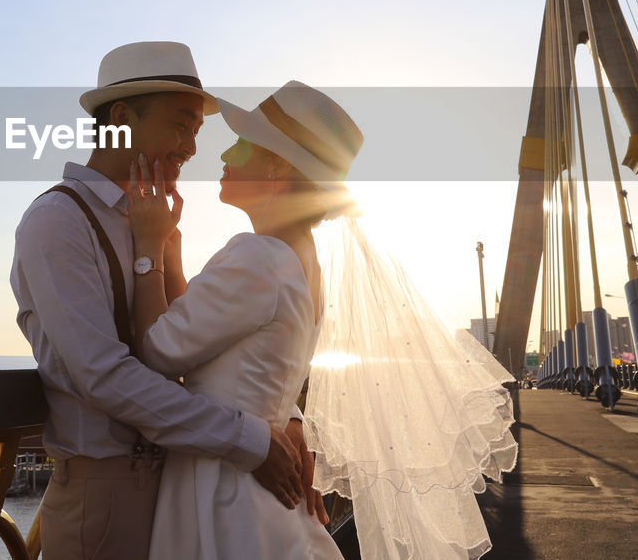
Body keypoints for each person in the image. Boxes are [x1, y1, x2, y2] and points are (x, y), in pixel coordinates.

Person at [127, 81, 518, 560]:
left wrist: (146, 249)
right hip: (265, 480)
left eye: (243, 142)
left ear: (277, 166)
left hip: (224, 487)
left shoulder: (257, 257)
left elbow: (158, 350)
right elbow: (204, 337)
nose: (225, 151)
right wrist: (172, 246)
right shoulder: (300, 261)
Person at [9, 42, 306, 560]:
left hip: (177, 491)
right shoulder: (58, 221)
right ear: (121, 118)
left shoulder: (152, 220)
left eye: (195, 130)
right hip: (104, 499)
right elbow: (102, 374)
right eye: (181, 124)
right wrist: (253, 440)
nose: (192, 146)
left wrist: (290, 421)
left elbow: (199, 352)